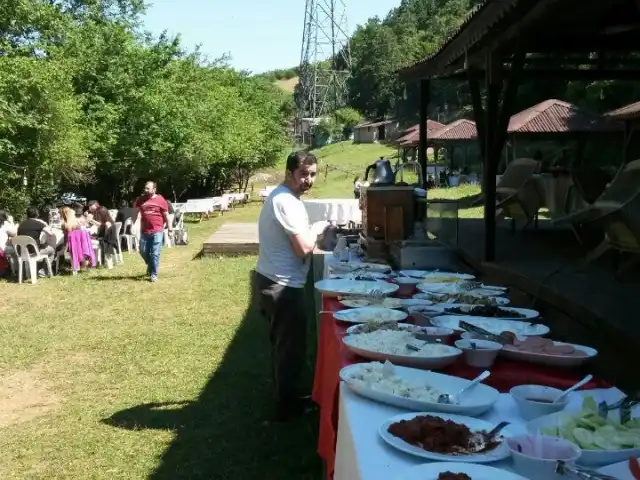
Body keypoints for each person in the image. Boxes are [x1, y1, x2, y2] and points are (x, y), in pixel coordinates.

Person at [253, 150, 329, 422]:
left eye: (312, 174)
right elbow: (303, 248)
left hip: (272, 279)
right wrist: (318, 228)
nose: (308, 180)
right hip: (282, 285)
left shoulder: (285, 197)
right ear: (288, 173)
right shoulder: (286, 201)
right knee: (290, 348)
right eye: (303, 174)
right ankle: (287, 407)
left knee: (283, 344)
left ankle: (284, 396)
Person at [134, 181, 171, 282]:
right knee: (142, 251)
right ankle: (150, 264)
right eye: (145, 188)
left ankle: (154, 274)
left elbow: (166, 215)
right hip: (144, 231)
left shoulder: (160, 199)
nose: (145, 190)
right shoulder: (140, 200)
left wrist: (170, 228)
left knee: (155, 253)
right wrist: (135, 222)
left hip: (157, 230)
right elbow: (137, 212)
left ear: (154, 189)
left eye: (147, 188)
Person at [17, 206, 56, 274]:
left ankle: (28, 272)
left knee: (42, 245)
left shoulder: (21, 224)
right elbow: (50, 233)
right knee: (52, 250)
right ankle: (44, 271)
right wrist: (45, 224)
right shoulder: (39, 223)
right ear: (37, 214)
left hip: (22, 251)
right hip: (34, 251)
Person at [87, 200, 117, 269]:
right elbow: (99, 224)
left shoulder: (101, 210)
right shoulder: (96, 211)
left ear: (94, 205)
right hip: (104, 231)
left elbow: (105, 224)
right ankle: (98, 261)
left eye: (90, 206)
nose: (89, 208)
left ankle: (105, 263)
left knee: (96, 240)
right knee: (94, 238)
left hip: (108, 232)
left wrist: (91, 220)